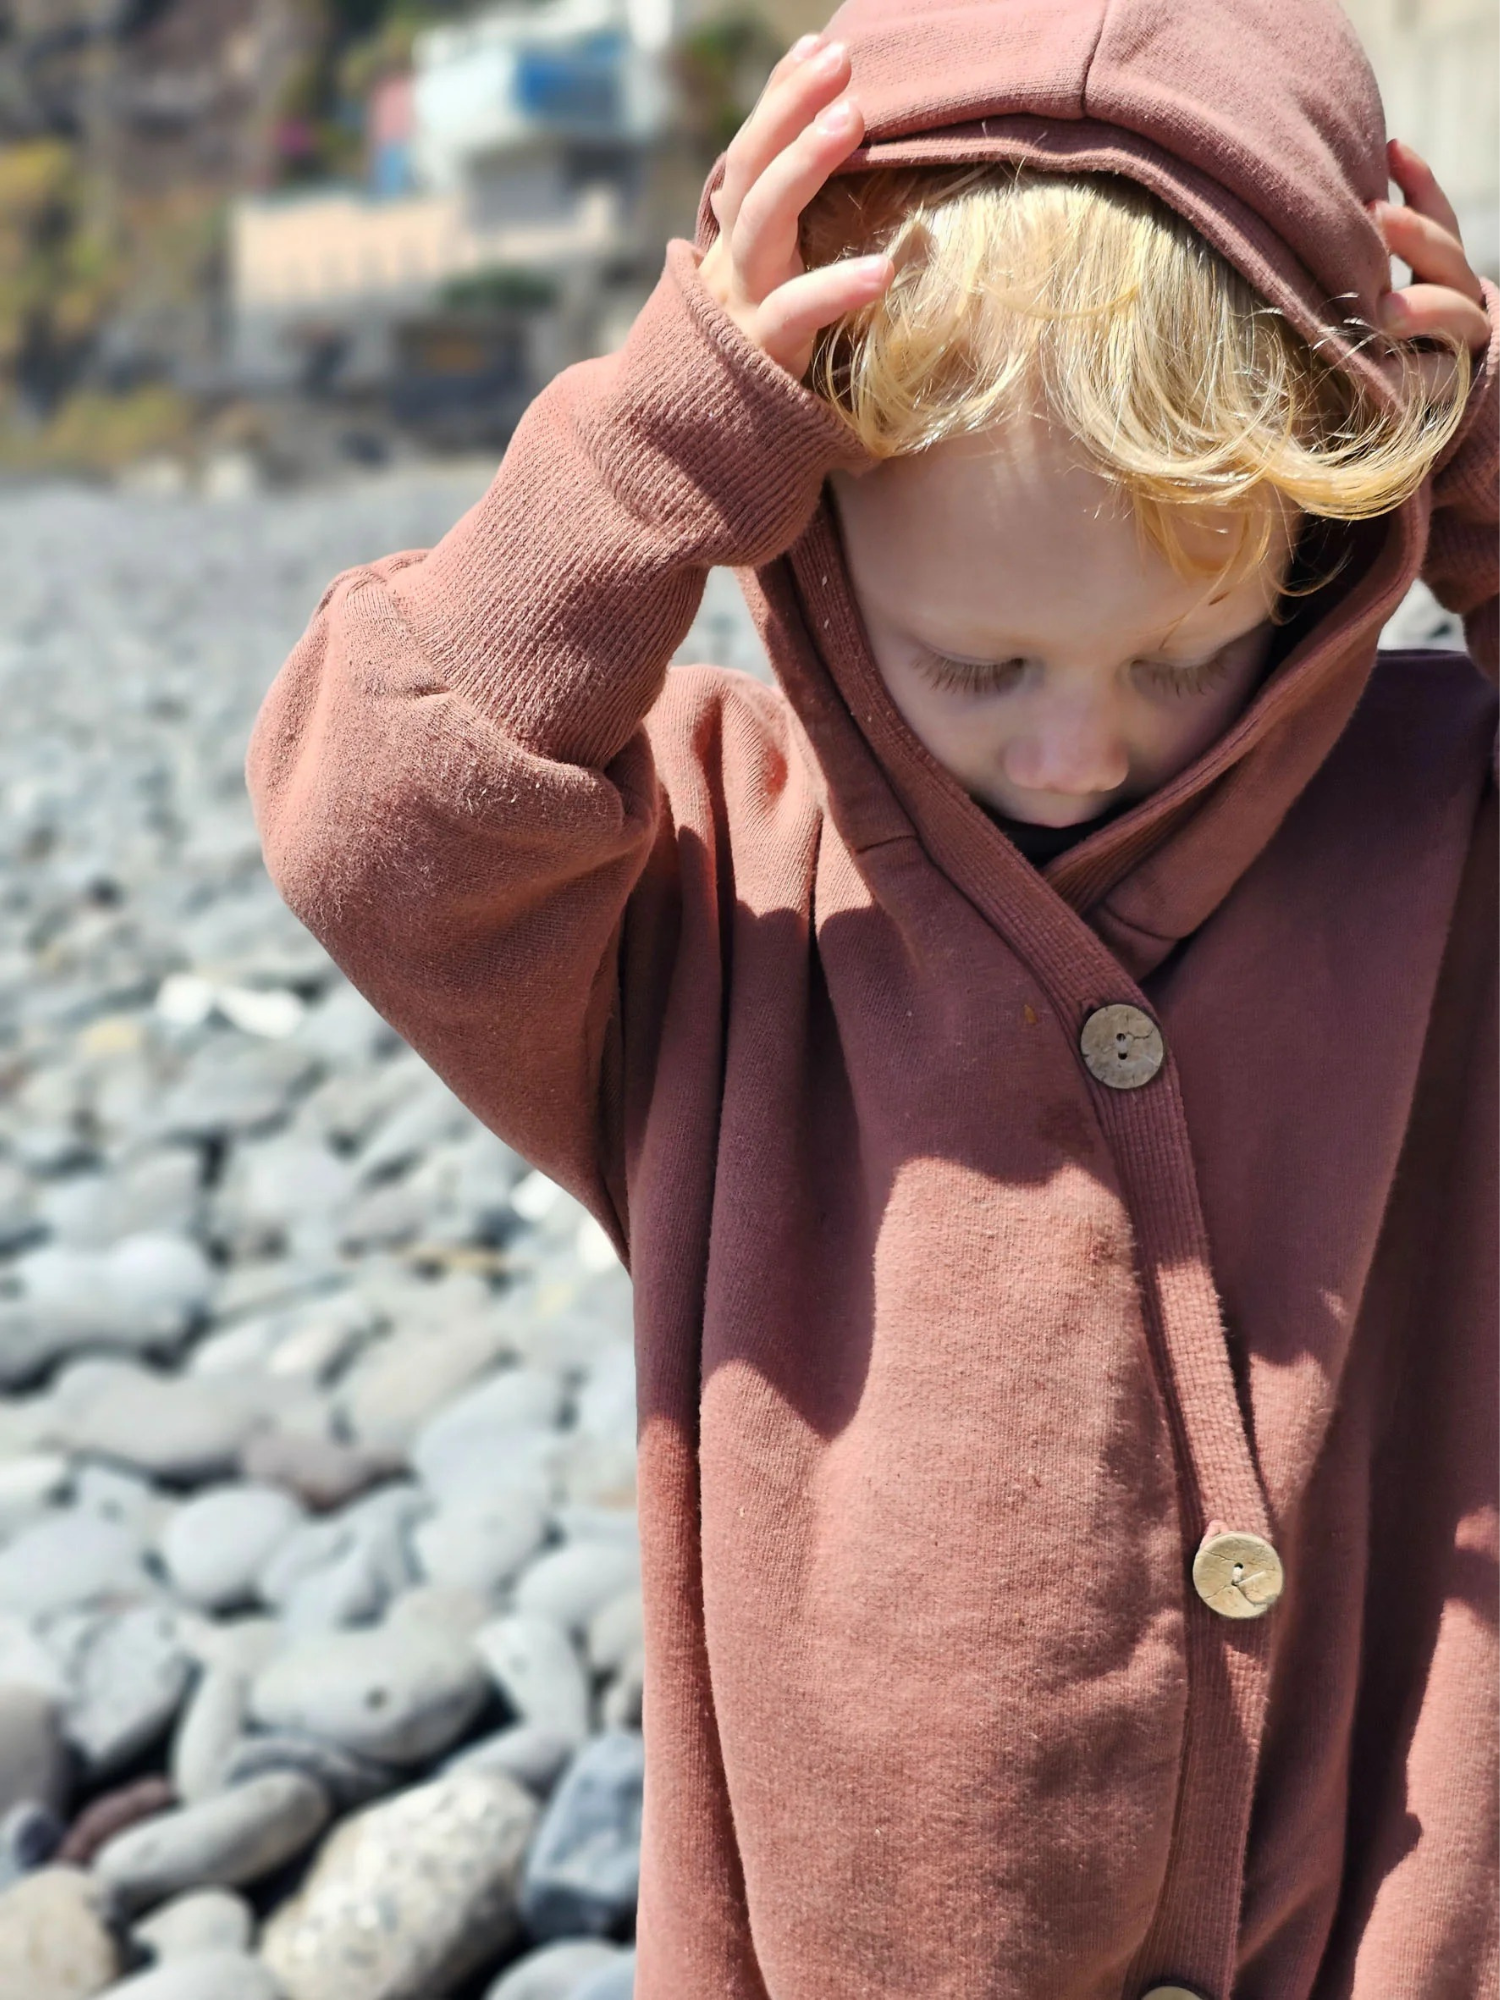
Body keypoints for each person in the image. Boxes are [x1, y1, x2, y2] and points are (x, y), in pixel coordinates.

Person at [247, 0, 1498, 1991]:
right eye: (982, 665)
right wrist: (660, 444)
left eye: (1185, 652)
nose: (1080, 747)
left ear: (1327, 545)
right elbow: (377, 812)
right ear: (809, 550)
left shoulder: (1437, 820)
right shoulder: (716, 886)